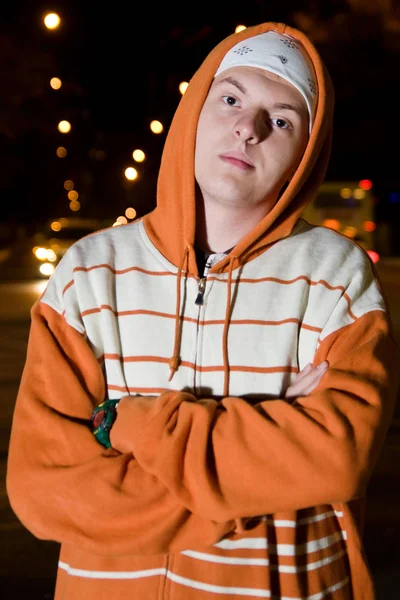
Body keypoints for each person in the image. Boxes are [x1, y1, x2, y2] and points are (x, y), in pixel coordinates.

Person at [6, 20, 399, 600]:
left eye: (283, 119)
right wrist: (261, 472)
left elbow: (337, 457)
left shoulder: (336, 277)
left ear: (306, 155)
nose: (248, 127)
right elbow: (44, 490)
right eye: (232, 97)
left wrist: (136, 424)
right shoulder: (89, 273)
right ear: (195, 110)